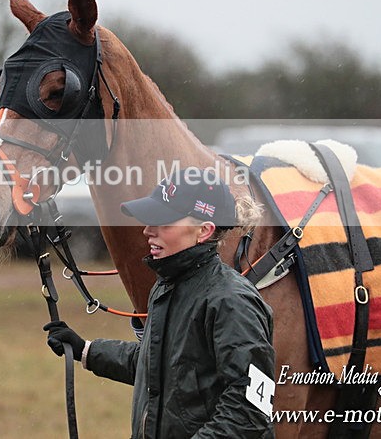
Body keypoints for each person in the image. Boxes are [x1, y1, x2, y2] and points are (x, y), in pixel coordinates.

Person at [45, 167, 275, 438]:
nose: (147, 231)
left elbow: (250, 410)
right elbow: (155, 364)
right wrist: (86, 350)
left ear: (204, 230)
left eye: (163, 221)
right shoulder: (166, 286)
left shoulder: (233, 301)